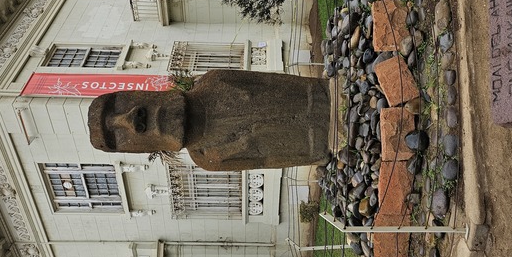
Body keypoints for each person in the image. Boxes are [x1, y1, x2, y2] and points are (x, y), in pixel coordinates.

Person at [88, 70, 332, 171]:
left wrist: (319, 90)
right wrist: (316, 156)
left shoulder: (214, 82)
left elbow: (270, 82)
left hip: (322, 95)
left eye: (118, 105)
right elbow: (267, 160)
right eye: (117, 135)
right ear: (136, 150)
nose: (129, 119)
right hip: (323, 143)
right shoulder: (209, 158)